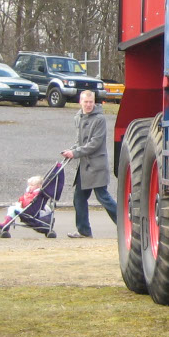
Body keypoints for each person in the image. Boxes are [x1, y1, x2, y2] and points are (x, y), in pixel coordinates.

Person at [61, 90, 116, 238]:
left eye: (91, 102)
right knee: (79, 198)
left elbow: (95, 144)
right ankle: (83, 231)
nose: (88, 105)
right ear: (80, 102)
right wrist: (71, 151)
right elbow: (79, 142)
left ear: (94, 102)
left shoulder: (100, 119)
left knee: (103, 197)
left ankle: (126, 225)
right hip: (84, 167)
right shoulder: (78, 117)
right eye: (86, 102)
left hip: (97, 166)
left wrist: (76, 153)